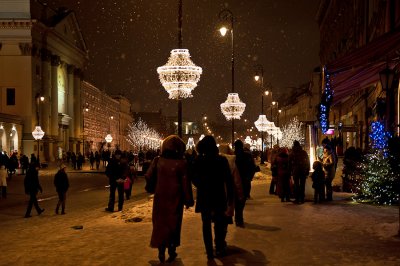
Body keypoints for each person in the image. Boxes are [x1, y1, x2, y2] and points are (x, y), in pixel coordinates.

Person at [145, 135, 194, 263]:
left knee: (160, 224)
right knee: (174, 224)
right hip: (175, 198)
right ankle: (171, 250)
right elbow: (185, 183)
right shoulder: (182, 163)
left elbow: (149, 176)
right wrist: (188, 200)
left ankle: (160, 251)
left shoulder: (157, 160)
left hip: (160, 197)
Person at [192, 135, 234, 259]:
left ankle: (209, 251)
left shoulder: (199, 160)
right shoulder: (221, 160)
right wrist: (230, 198)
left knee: (206, 224)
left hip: (204, 195)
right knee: (219, 223)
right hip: (218, 195)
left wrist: (201, 184)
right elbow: (229, 180)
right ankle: (219, 247)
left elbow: (194, 178)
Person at [234, 139, 256, 227]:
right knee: (242, 200)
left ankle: (238, 218)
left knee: (237, 200)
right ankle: (239, 218)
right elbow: (252, 167)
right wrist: (249, 177)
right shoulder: (247, 156)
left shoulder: (233, 156)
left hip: (236, 181)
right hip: (244, 180)